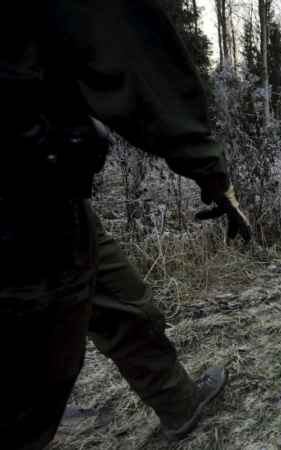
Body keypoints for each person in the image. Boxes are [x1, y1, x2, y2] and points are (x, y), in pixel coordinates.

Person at [0, 1, 252, 448]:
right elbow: (123, 48)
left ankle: (180, 404)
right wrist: (211, 171)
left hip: (49, 192)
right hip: (23, 198)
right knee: (27, 388)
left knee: (122, 300)